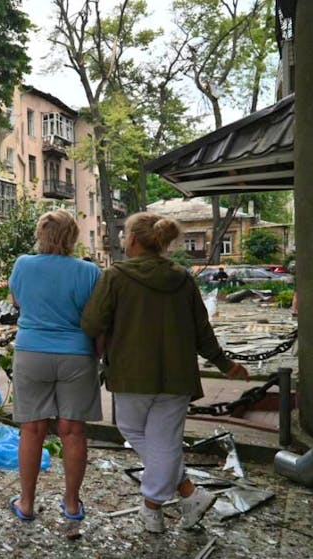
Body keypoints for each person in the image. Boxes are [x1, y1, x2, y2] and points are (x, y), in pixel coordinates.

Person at [81, 212, 249, 533]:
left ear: (132, 239)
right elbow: (202, 330)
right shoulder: (182, 278)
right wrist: (225, 364)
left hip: (131, 373)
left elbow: (91, 323)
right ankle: (184, 494)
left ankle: (155, 507)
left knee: (134, 430)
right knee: (165, 441)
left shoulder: (115, 276)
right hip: (177, 375)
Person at [8, 209, 102, 538]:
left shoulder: (23, 265)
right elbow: (97, 317)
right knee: (73, 431)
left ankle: (27, 503)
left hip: (31, 351)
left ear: (40, 234)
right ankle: (72, 503)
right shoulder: (90, 271)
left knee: (32, 428)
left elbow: (17, 302)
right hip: (77, 354)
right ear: (73, 237)